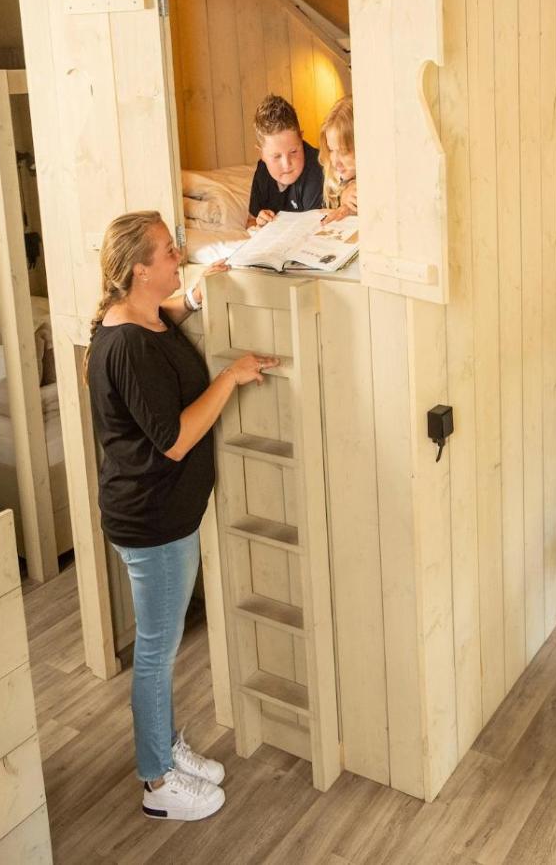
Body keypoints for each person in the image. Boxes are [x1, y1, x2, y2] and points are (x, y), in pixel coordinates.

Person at [86, 210, 277, 821]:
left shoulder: (139, 316)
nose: (179, 256)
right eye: (169, 251)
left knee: (158, 647)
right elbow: (172, 439)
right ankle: (157, 782)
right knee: (156, 653)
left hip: (163, 515)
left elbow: (163, 322)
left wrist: (193, 297)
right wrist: (231, 377)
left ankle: (165, 748)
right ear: (140, 270)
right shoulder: (126, 345)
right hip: (152, 521)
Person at [246, 94, 325, 228]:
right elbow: (250, 222)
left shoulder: (317, 169)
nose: (287, 164)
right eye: (276, 156)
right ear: (261, 154)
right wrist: (260, 224)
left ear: (301, 138)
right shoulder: (262, 171)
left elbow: (313, 229)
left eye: (293, 152)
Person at [319, 96, 358, 222]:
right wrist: (343, 196)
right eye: (331, 149)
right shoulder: (332, 174)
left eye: (344, 152)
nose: (335, 162)